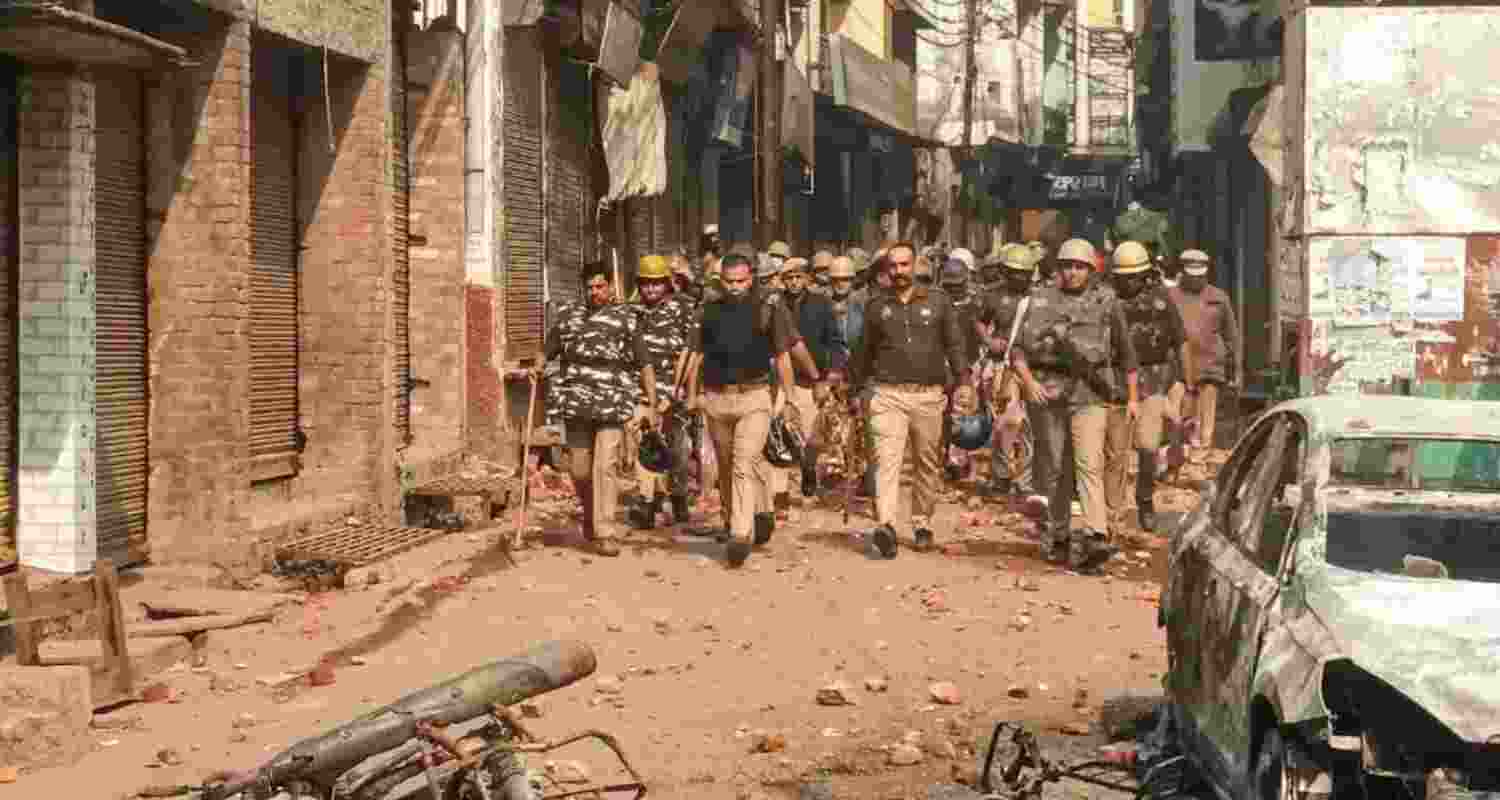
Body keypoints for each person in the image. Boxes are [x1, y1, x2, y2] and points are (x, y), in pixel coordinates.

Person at [1011, 238, 1139, 571]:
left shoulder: (1107, 302)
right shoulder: (1041, 300)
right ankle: (1059, 535)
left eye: (1079, 266)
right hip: (1049, 394)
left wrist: (1133, 397)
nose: (1072, 272)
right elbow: (1018, 351)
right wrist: (1029, 383)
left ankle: (1096, 534)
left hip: (1090, 395)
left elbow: (1127, 354)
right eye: (1067, 266)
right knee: (1056, 468)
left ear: (1091, 270)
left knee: (1089, 463)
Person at [850, 242, 969, 557]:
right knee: (885, 461)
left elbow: (955, 345)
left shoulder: (939, 302)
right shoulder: (876, 306)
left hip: (928, 396)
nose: (899, 271)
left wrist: (964, 381)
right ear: (886, 270)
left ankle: (921, 523)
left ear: (915, 266)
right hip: (887, 395)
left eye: (904, 265)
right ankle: (886, 525)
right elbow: (863, 352)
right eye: (893, 266)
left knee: (926, 463)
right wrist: (854, 390)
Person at [687, 254, 798, 568]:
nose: (735, 287)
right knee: (725, 465)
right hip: (717, 398)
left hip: (754, 396)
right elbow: (696, 354)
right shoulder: (708, 311)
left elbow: (783, 355)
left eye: (741, 281)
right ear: (721, 281)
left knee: (743, 461)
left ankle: (740, 533)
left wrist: (789, 398)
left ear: (751, 280)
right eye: (729, 281)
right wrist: (693, 394)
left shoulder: (767, 308)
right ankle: (734, 517)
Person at [542, 263, 658, 557]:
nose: (595, 292)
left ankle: (605, 532)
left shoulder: (626, 319)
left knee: (605, 465)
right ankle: (592, 516)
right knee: (580, 470)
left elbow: (644, 362)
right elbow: (548, 349)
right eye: (590, 287)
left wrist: (653, 404)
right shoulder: (569, 317)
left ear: (610, 286)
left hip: (611, 402)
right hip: (576, 403)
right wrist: (537, 365)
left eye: (600, 286)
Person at [1103, 242, 1186, 534]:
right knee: (1116, 452)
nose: (1128, 282)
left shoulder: (1161, 300)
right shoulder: (1106, 300)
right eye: (1123, 277)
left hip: (1153, 382)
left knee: (1149, 446)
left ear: (1144, 274)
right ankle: (1112, 513)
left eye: (1134, 277)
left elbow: (1180, 340)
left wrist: (1185, 381)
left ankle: (1145, 499)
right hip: (1115, 381)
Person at [627, 255, 697, 531]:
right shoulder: (631, 313)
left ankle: (677, 497)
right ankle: (646, 502)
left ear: (667, 284)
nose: (651, 289)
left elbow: (691, 354)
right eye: (646, 283)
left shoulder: (684, 309)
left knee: (677, 448)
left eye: (656, 283)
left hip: (674, 391)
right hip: (641, 391)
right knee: (645, 445)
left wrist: (680, 393)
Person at [977, 243, 1039, 499]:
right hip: (1003, 367)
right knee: (1005, 422)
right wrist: (988, 341)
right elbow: (980, 322)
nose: (1019, 277)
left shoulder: (1040, 297)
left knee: (1031, 426)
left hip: (1032, 368)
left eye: (1024, 273)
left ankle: (1026, 481)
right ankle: (1001, 476)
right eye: (1013, 272)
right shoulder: (993, 295)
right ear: (1004, 271)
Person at [779, 256, 841, 497]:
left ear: (806, 278)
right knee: (781, 432)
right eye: (789, 278)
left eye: (798, 277)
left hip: (814, 379)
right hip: (782, 379)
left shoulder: (821, 304)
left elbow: (835, 340)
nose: (794, 282)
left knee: (813, 437)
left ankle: (808, 468)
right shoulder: (776, 304)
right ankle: (779, 491)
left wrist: (831, 374)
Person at [1169, 249, 1239, 458]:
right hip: (1178, 368)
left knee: (1206, 419)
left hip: (1210, 365)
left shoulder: (1219, 297)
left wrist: (1234, 368)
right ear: (1183, 272)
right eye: (1191, 275)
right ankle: (1177, 455)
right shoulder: (1170, 296)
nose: (1196, 279)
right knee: (1176, 415)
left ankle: (1201, 456)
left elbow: (1231, 335)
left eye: (1200, 275)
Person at [941, 259, 983, 482]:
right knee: (943, 414)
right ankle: (943, 457)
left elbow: (981, 335)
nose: (954, 289)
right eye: (950, 286)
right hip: (943, 365)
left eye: (958, 285)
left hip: (968, 365)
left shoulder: (974, 306)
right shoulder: (938, 304)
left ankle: (958, 462)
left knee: (964, 414)